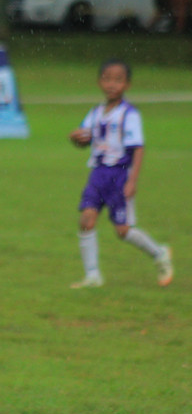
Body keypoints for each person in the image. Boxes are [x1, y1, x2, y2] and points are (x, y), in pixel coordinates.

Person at [68, 59, 173, 289]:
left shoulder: (129, 114)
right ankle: (93, 276)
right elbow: (85, 139)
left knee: (123, 230)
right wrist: (75, 138)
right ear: (99, 82)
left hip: (120, 175)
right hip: (98, 174)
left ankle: (159, 253)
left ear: (127, 85)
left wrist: (132, 180)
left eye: (118, 80)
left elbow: (138, 148)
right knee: (86, 220)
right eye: (107, 79)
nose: (111, 84)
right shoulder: (95, 113)